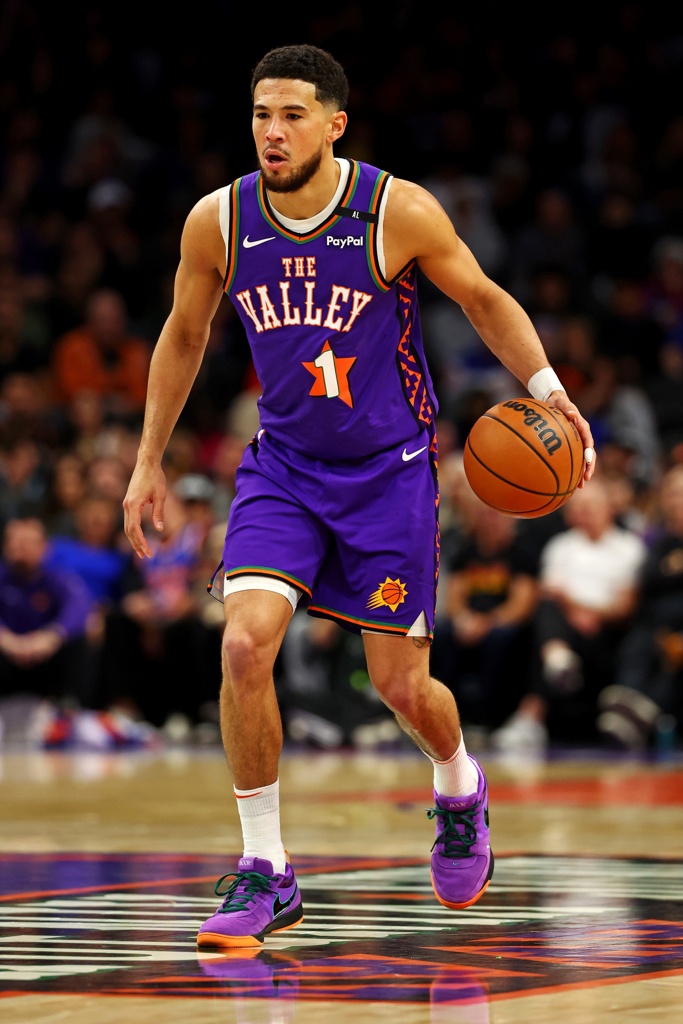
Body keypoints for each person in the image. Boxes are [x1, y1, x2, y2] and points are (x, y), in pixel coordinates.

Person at [122, 44, 595, 950]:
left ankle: (458, 786)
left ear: (334, 125)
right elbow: (183, 335)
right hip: (283, 470)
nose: (271, 132)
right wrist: (149, 459)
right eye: (261, 114)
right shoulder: (219, 220)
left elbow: (482, 298)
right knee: (243, 646)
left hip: (389, 476)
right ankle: (266, 868)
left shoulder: (393, 210)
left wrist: (549, 392)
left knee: (400, 687)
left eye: (292, 115)